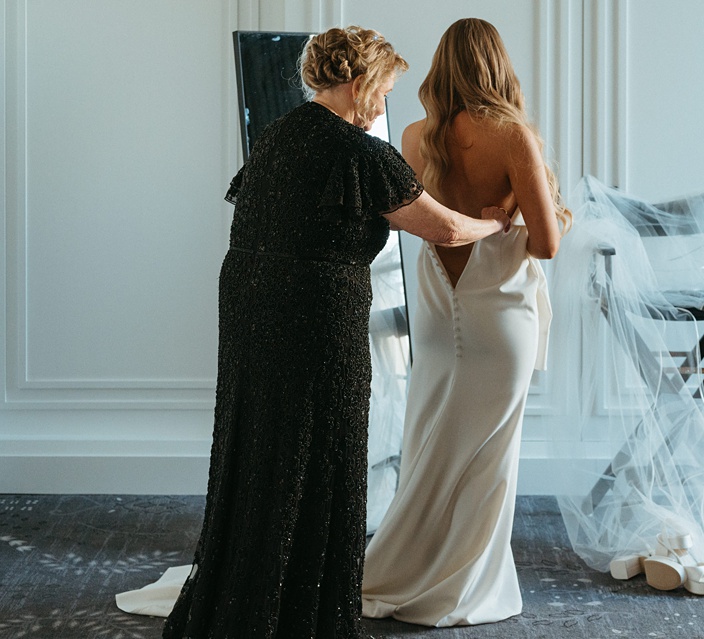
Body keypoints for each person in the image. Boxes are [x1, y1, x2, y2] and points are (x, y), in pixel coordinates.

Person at [153, 26, 511, 639]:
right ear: (359, 81)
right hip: (315, 312)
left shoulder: (278, 134)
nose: (383, 103)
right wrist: (495, 223)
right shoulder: (359, 151)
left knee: (261, 447)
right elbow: (445, 230)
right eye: (384, 89)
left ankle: (250, 598)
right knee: (322, 451)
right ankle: (301, 617)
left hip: (248, 305)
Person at [361, 18, 571, 627]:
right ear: (496, 64)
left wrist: (501, 208)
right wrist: (511, 213)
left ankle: (404, 569)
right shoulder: (513, 137)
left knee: (427, 452)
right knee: (486, 465)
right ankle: (466, 589)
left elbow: (422, 220)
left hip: (435, 315)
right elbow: (549, 245)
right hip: (499, 318)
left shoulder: (412, 137)